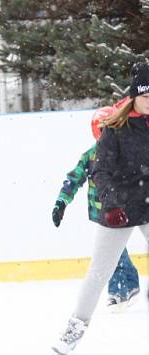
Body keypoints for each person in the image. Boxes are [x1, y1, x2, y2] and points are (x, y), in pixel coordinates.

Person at [52, 62, 149, 355]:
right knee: (100, 271)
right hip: (120, 205)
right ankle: (75, 327)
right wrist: (111, 205)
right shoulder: (115, 129)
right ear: (134, 97)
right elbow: (101, 171)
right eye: (147, 96)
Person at [51, 105, 140, 310]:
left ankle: (119, 290)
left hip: (124, 210)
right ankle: (129, 285)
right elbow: (73, 179)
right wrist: (61, 203)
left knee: (112, 253)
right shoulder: (91, 155)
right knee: (115, 251)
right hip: (101, 213)